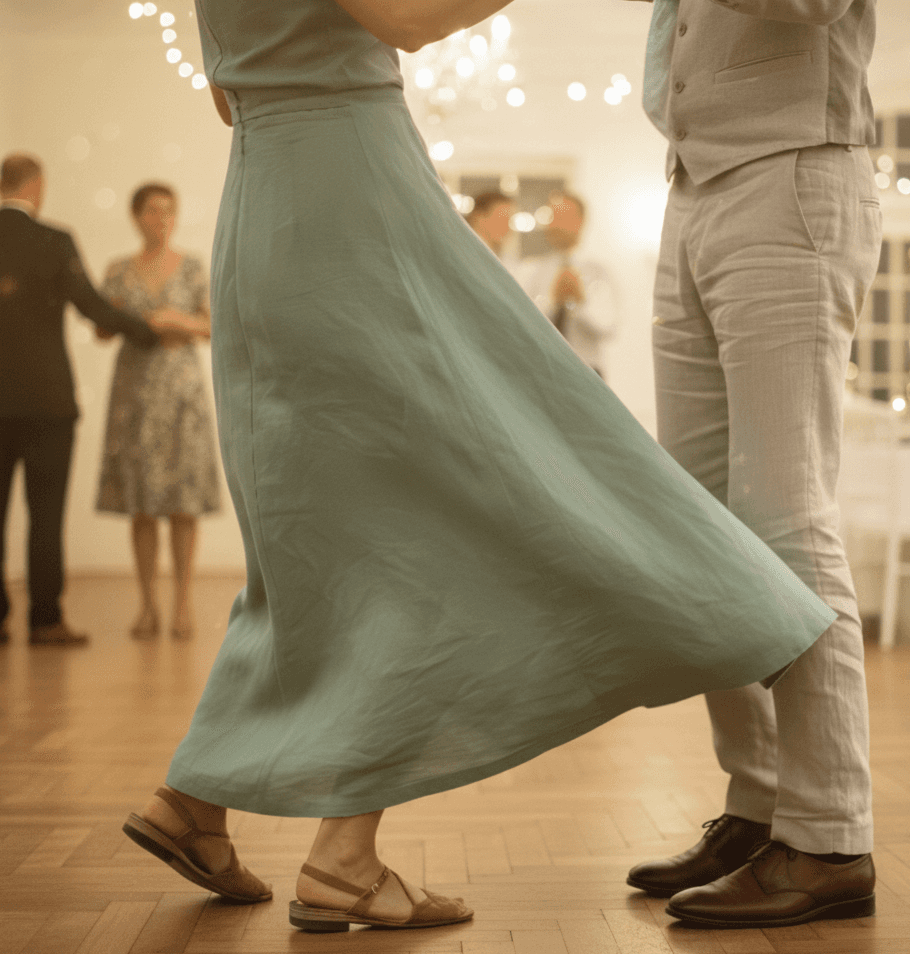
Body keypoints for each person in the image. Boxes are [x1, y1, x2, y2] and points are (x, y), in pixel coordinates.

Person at [122, 0, 838, 934]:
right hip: (357, 201)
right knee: (457, 493)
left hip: (265, 210)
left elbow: (228, 93)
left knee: (320, 535)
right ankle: (339, 856)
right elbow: (404, 17)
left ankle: (196, 800)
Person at [621, 0, 881, 929]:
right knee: (696, 529)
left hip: (794, 178)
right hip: (694, 191)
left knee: (784, 518)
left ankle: (828, 836)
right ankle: (760, 800)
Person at [0, 154, 160, 647]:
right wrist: (148, 330)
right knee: (45, 513)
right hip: (49, 404)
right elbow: (91, 304)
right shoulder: (53, 241)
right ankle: (46, 619)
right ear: (36, 187)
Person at [95, 183, 221, 641]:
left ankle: (182, 602)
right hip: (134, 397)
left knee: (183, 503)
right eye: (152, 210)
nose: (161, 219)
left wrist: (179, 321)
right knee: (141, 505)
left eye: (169, 211)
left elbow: (212, 326)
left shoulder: (191, 268)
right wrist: (121, 317)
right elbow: (102, 332)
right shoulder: (118, 270)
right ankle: (147, 604)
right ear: (136, 216)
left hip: (181, 397)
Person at [514, 191, 618, 379]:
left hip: (588, 371)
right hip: (545, 369)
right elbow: (525, 322)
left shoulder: (598, 270)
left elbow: (608, 325)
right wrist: (553, 301)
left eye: (561, 217)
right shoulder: (537, 270)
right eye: (551, 217)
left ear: (580, 221)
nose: (553, 224)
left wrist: (579, 302)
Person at [465, 190, 515, 261]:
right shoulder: (469, 256)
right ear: (479, 217)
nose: (507, 228)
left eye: (509, 221)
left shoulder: (493, 254)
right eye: (501, 220)